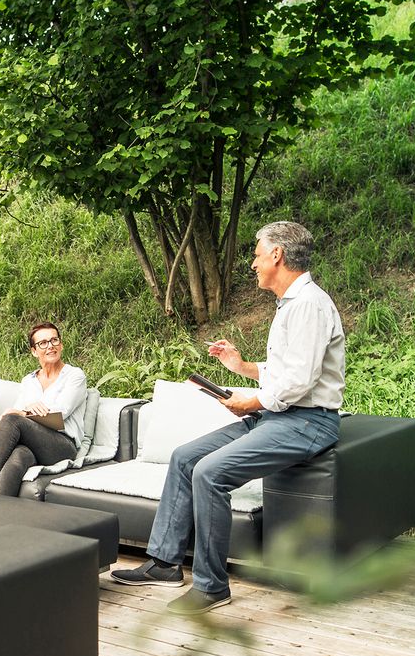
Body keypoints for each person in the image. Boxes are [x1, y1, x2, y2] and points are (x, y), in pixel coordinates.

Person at [110, 221, 346, 616]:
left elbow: (300, 384)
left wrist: (250, 403)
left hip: (307, 423)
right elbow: (286, 371)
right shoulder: (292, 303)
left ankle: (211, 587)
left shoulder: (308, 304)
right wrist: (242, 367)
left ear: (277, 255)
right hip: (280, 416)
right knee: (186, 457)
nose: (253, 263)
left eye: (256, 254)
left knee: (210, 472)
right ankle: (166, 564)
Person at [0, 322, 89, 497]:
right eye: (43, 343)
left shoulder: (74, 376)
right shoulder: (29, 381)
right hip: (34, 445)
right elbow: (11, 414)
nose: (50, 346)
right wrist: (19, 413)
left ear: (61, 344)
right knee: (18, 458)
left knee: (12, 421)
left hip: (63, 446)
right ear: (34, 351)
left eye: (54, 340)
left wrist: (24, 413)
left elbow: (59, 415)